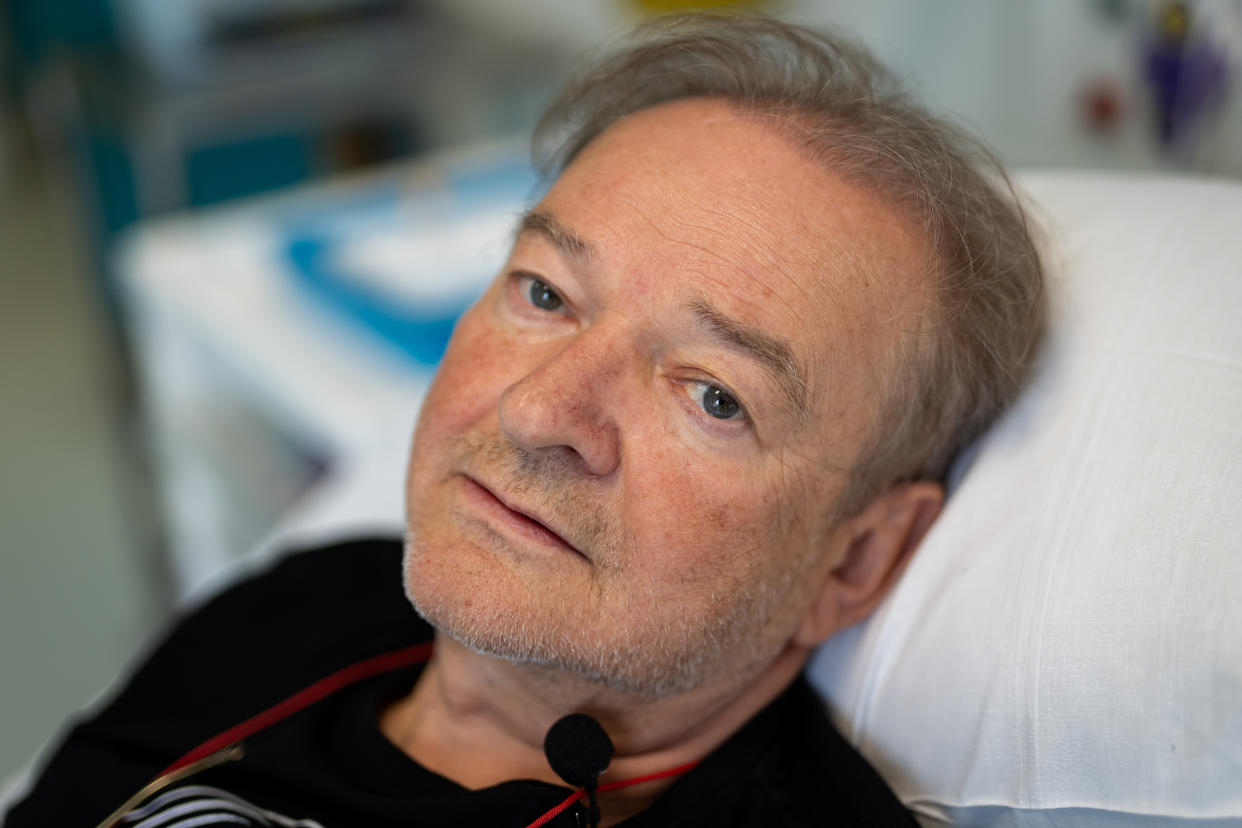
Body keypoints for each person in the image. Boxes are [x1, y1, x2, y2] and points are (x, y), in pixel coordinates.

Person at [5, 12, 1045, 828]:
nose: (543, 411)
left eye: (713, 394)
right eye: (545, 294)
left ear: (854, 562)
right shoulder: (302, 605)